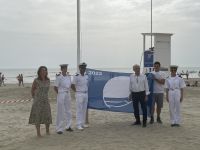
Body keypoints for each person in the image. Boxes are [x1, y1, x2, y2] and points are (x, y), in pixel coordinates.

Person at [29, 66, 52, 137]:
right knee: (37, 116)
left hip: (46, 100)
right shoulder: (36, 80)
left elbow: (47, 91)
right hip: (38, 101)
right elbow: (32, 90)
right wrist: (35, 98)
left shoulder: (48, 80)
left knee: (47, 115)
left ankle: (47, 131)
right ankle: (38, 133)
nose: (43, 72)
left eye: (45, 70)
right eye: (42, 70)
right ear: (39, 72)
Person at [54, 64, 73, 134]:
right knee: (60, 111)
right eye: (64, 68)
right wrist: (59, 94)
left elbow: (69, 85)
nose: (65, 69)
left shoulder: (69, 76)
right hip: (61, 94)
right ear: (61, 69)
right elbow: (55, 87)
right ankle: (59, 128)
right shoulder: (59, 77)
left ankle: (68, 126)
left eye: (66, 68)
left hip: (68, 93)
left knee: (68, 110)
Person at [71, 62, 89, 130]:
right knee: (79, 110)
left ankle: (82, 123)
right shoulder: (76, 75)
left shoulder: (86, 75)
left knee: (84, 109)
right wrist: (76, 91)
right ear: (79, 68)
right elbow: (72, 85)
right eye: (82, 68)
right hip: (79, 94)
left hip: (85, 94)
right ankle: (78, 124)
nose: (83, 69)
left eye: (84, 68)